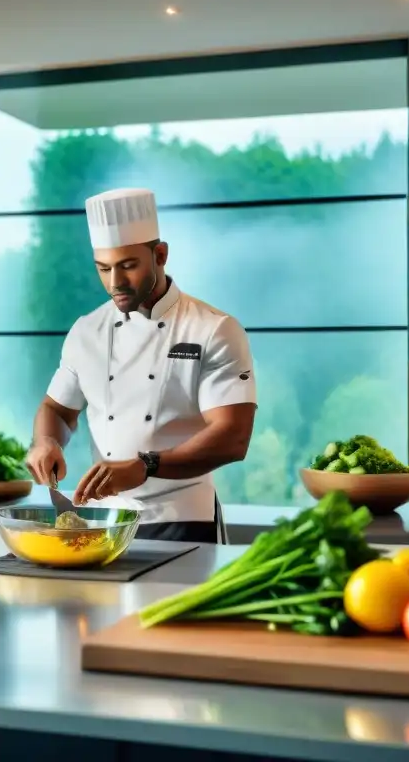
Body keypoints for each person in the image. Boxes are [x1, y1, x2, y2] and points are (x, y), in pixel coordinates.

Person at [25, 187, 257, 544]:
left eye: (128, 266)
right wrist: (45, 442)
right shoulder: (86, 331)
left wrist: (146, 465)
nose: (115, 282)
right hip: (103, 522)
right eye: (103, 269)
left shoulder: (214, 328)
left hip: (182, 516)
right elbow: (56, 409)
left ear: (160, 255)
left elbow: (233, 437)